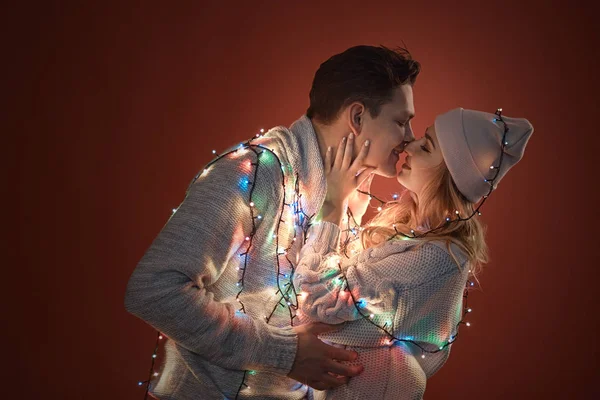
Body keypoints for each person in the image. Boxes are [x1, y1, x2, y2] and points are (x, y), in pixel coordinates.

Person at [124, 45, 420, 399]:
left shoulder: (353, 196)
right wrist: (285, 353)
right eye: (401, 121)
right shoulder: (253, 173)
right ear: (357, 117)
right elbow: (155, 290)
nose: (410, 137)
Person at [293, 108, 534, 399]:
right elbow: (344, 294)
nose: (410, 145)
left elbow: (318, 300)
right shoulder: (411, 230)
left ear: (449, 173)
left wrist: (333, 204)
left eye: (427, 145)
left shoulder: (439, 258)